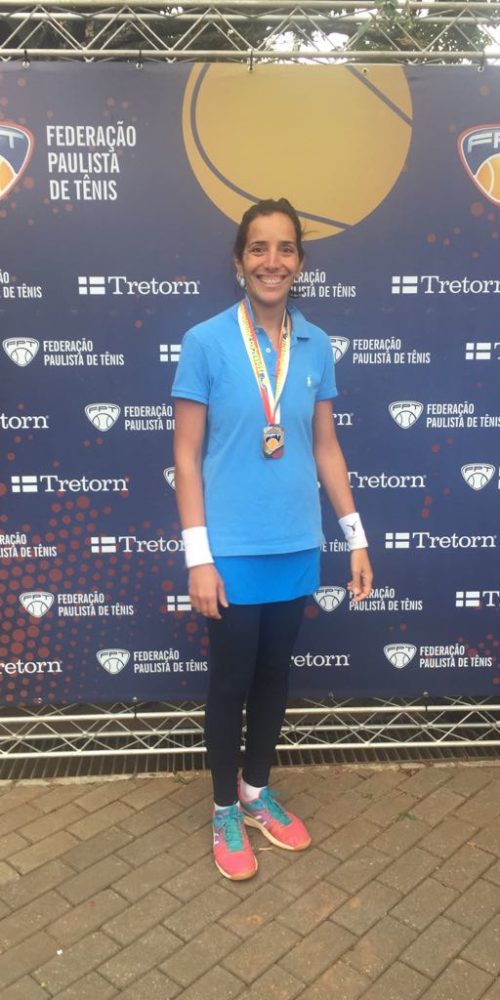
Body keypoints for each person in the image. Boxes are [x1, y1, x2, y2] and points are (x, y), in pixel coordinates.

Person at [172, 198, 373, 881]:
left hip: (295, 545)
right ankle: (224, 809)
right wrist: (199, 558)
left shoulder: (316, 344)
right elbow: (186, 456)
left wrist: (355, 537)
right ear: (239, 262)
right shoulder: (205, 341)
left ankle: (256, 791)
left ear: (300, 263)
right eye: (258, 248)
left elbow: (326, 447)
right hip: (230, 551)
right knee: (230, 681)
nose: (272, 261)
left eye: (285, 248)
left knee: (274, 678)